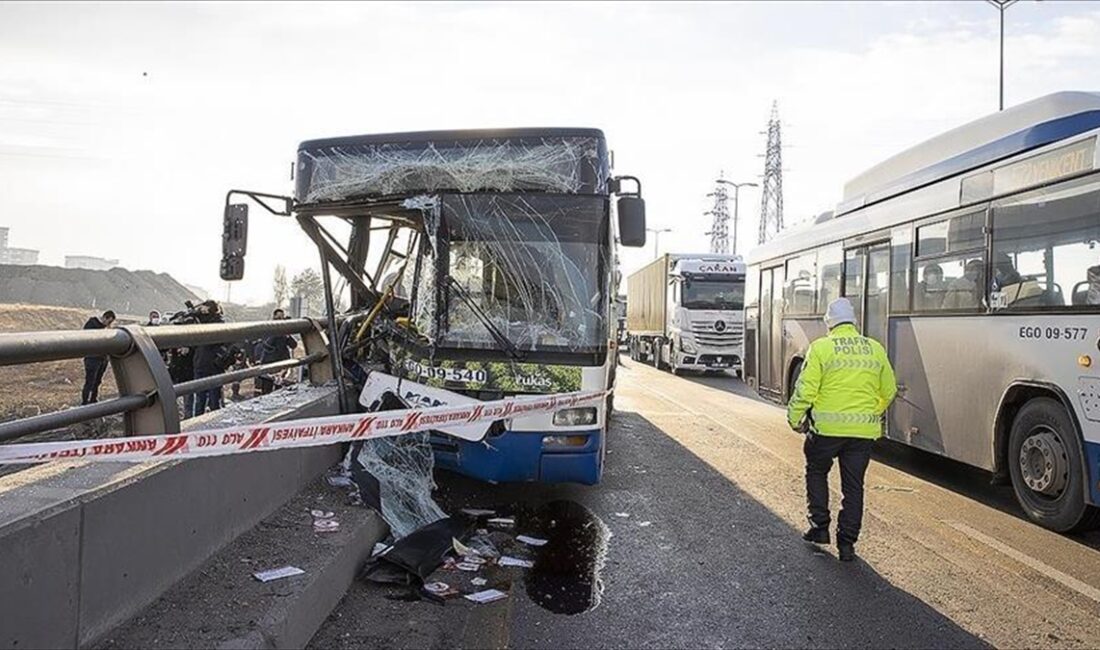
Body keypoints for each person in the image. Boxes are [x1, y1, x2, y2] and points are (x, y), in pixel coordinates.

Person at [787, 298, 897, 562]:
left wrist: (794, 418)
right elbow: (889, 390)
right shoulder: (875, 349)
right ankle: (847, 544)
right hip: (861, 435)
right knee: (853, 486)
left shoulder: (821, 348)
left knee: (816, 471)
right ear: (854, 321)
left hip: (826, 431)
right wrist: (871, 412)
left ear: (829, 323)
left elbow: (806, 389)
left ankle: (819, 527)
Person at [191, 300, 238, 416]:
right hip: (201, 364)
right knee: (200, 399)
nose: (202, 311)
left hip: (213, 366)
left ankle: (213, 421)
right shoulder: (200, 323)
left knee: (213, 400)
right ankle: (198, 422)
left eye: (205, 308)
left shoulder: (218, 323)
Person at [255, 308, 299, 395]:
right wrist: (277, 331)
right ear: (274, 318)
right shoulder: (268, 328)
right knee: (267, 391)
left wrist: (287, 334)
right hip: (269, 364)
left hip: (282, 365)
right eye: (278, 318)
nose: (280, 320)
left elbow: (293, 345)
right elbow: (267, 345)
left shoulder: (284, 332)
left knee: (280, 391)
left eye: (282, 318)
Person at [81, 310, 116, 404]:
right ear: (105, 318)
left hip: (102, 359)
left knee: (97, 381)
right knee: (90, 381)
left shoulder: (106, 328)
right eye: (109, 321)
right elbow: (86, 338)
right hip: (92, 358)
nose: (109, 324)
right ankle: (85, 401)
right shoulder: (92, 324)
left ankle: (93, 399)